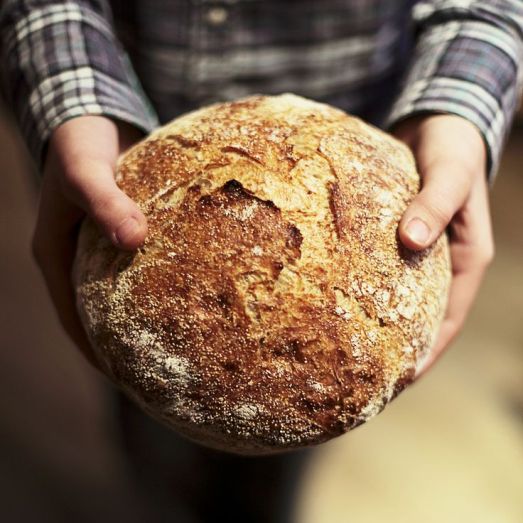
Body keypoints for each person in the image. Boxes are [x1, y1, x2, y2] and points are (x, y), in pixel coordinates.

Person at [1, 0, 521, 521]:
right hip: (115, 155)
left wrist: (458, 109)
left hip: (368, 159)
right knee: (156, 436)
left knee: (287, 452)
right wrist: (72, 95)